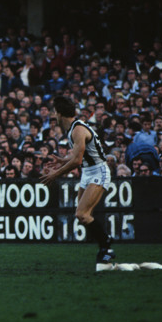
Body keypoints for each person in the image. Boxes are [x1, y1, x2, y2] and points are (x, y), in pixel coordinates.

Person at [41, 96, 115, 270]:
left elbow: (77, 161)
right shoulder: (73, 129)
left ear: (59, 113)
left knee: (83, 214)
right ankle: (105, 243)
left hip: (98, 171)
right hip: (89, 171)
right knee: (80, 215)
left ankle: (106, 245)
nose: (53, 115)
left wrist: (56, 174)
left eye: (54, 111)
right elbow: (76, 156)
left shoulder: (78, 130)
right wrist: (62, 160)